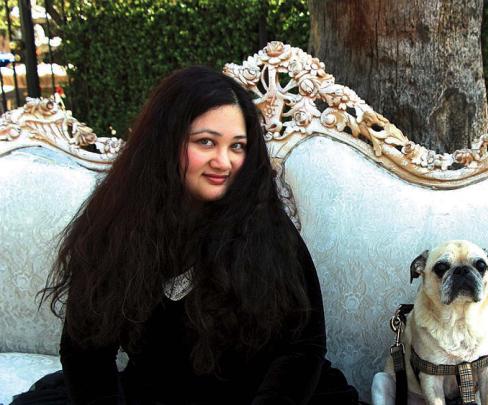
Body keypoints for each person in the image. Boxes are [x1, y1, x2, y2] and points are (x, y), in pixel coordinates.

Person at [12, 66, 358, 404]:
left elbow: (304, 346)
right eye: (206, 142)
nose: (223, 162)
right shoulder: (115, 228)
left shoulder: (264, 225)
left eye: (237, 146)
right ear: (166, 142)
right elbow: (84, 350)